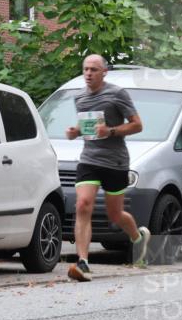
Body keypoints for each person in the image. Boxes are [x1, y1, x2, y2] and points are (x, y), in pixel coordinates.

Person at [64, 54, 150, 281]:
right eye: (85, 69)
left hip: (116, 161)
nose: (89, 74)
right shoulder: (80, 98)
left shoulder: (117, 94)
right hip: (89, 159)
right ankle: (82, 262)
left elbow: (137, 125)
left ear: (104, 72)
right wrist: (76, 132)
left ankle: (138, 238)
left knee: (114, 214)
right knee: (82, 205)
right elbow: (88, 127)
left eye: (93, 69)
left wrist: (111, 131)